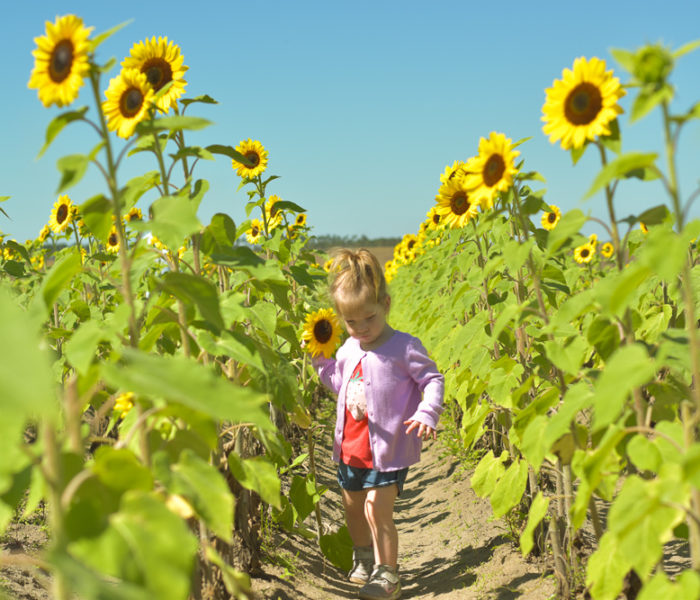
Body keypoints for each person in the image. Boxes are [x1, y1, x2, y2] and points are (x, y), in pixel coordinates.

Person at [311, 248, 444, 600]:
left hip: (387, 450)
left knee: (376, 510)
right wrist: (320, 366)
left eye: (368, 318)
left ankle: (388, 574)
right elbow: (342, 386)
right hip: (350, 449)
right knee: (354, 510)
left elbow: (432, 380)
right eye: (351, 323)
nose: (361, 329)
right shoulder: (348, 349)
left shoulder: (404, 348)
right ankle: (364, 556)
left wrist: (427, 412)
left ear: (385, 305)